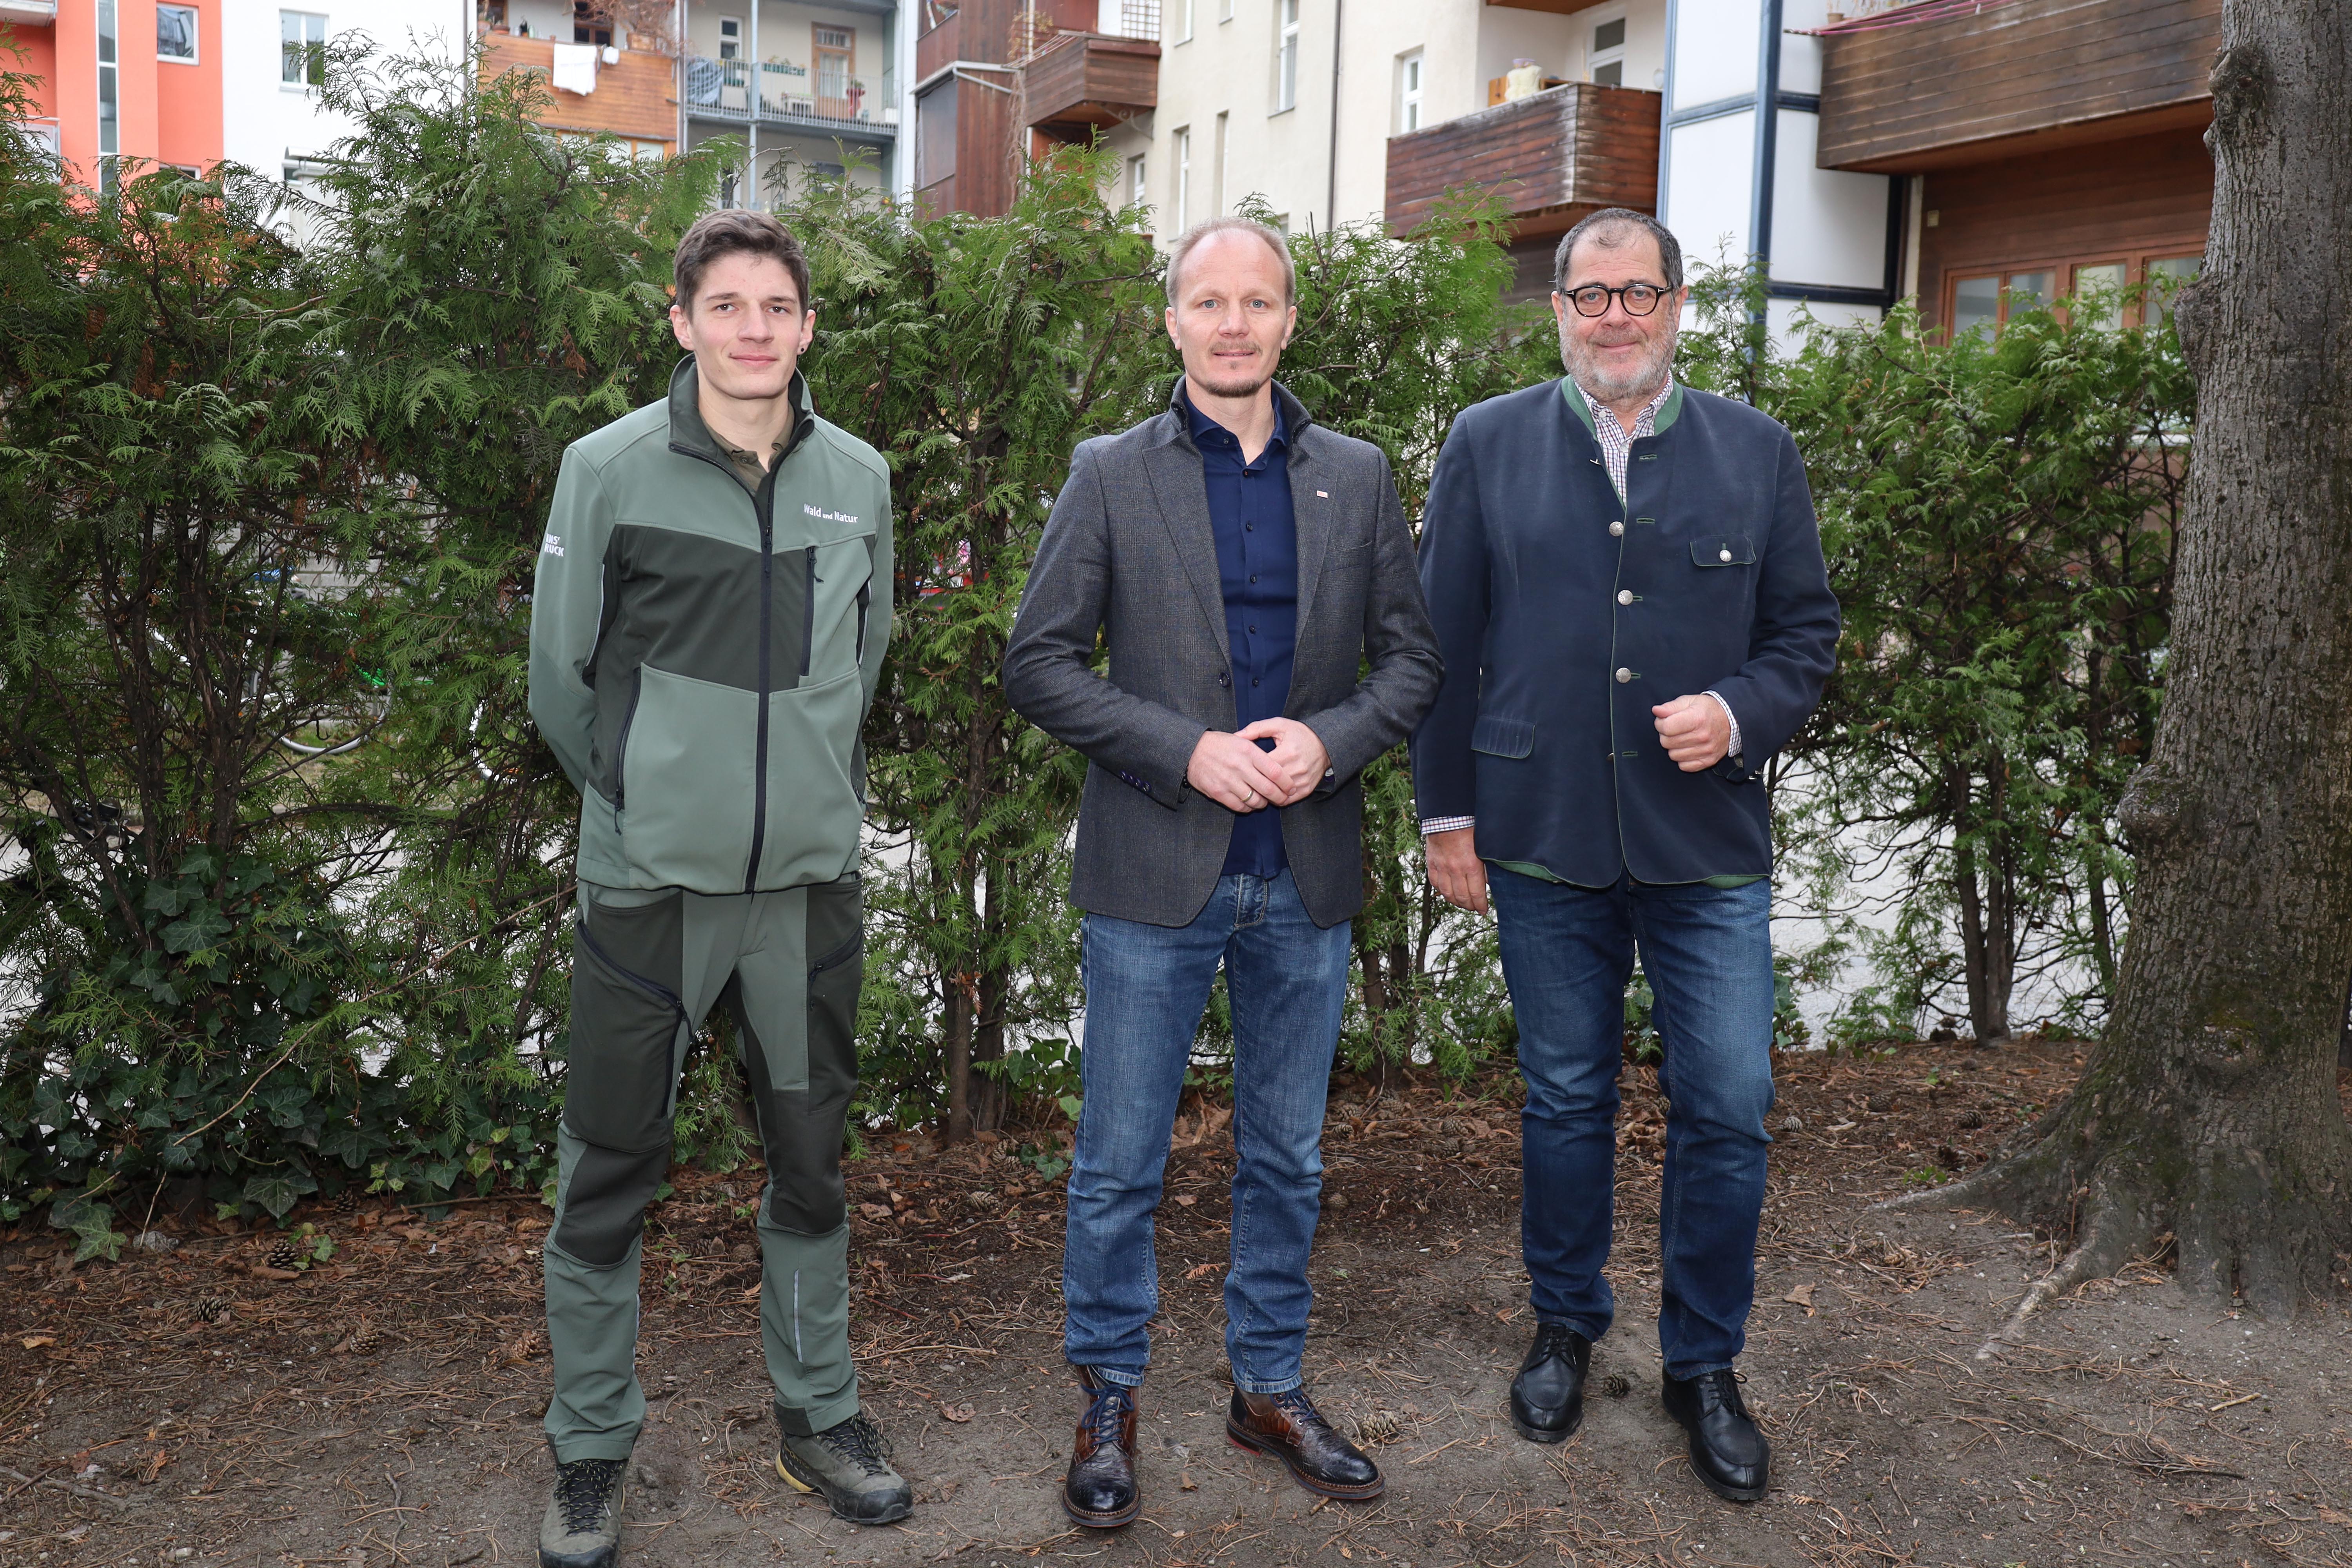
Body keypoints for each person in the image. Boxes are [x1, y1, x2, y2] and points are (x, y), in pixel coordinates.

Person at [1003, 215, 1443, 1529]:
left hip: (1303, 877)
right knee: (1121, 1163)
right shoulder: (1110, 472)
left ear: (1290, 320)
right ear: (1174, 321)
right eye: (1210, 301)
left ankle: (1266, 1389)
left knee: (1289, 1158)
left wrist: (1335, 738)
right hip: (1156, 873)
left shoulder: (1358, 477)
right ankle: (1109, 1400)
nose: (1235, 323)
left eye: (1258, 301)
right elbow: (1039, 665)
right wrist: (1182, 752)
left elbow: (1413, 664)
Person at [1410, 208, 1839, 1504]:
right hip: (1540, 841)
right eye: (1589, 297)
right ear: (1558, 311)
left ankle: (1703, 1366)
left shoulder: (1757, 453)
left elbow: (1804, 637)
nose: (1614, 318)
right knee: (1563, 1101)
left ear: (1678, 305)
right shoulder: (1487, 444)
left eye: (1636, 294)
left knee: (1726, 1105)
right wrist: (1446, 817)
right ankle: (1566, 1327)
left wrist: (1741, 715)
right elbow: (1441, 644)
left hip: (1704, 848)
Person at [525, 209, 907, 1568]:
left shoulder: (855, 478)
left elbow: (864, 664)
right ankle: (588, 1449)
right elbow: (559, 684)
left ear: (808, 327)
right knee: (610, 1171)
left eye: (779, 306)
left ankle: (823, 1415)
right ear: (682, 321)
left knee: (809, 1165)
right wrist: (646, 808)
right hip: (648, 894)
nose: (756, 329)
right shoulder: (608, 470)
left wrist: (797, 800)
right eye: (727, 305)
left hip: (801, 894)